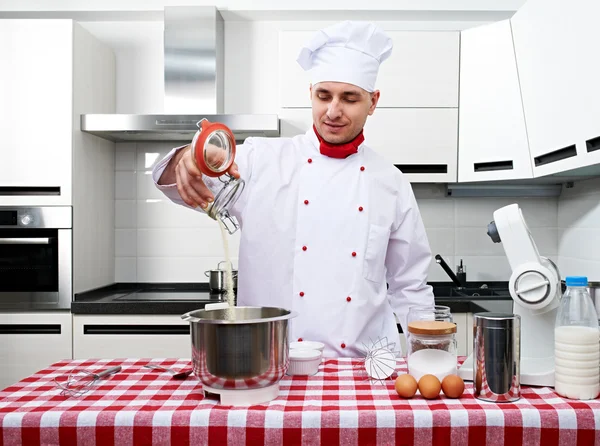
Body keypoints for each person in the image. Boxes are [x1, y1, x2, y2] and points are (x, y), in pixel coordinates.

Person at [153, 21, 435, 357]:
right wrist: (188, 156)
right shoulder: (260, 161)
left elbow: (410, 286)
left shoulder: (391, 182)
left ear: (372, 102)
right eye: (323, 95)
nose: (333, 111)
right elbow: (174, 182)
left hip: (364, 366)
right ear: (310, 94)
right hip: (270, 360)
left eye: (349, 98)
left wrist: (428, 356)